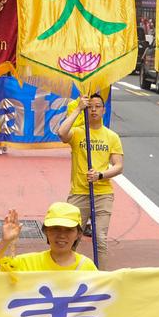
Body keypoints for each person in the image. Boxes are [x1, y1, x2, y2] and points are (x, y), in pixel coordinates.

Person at [56, 93, 123, 268]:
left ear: (103, 110)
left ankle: (101, 279)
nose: (93, 110)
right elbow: (62, 133)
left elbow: (118, 166)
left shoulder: (111, 136)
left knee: (100, 239)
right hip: (79, 192)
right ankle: (68, 274)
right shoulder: (78, 133)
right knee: (71, 239)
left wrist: (100, 175)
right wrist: (78, 108)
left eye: (97, 106)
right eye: (90, 106)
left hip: (103, 194)